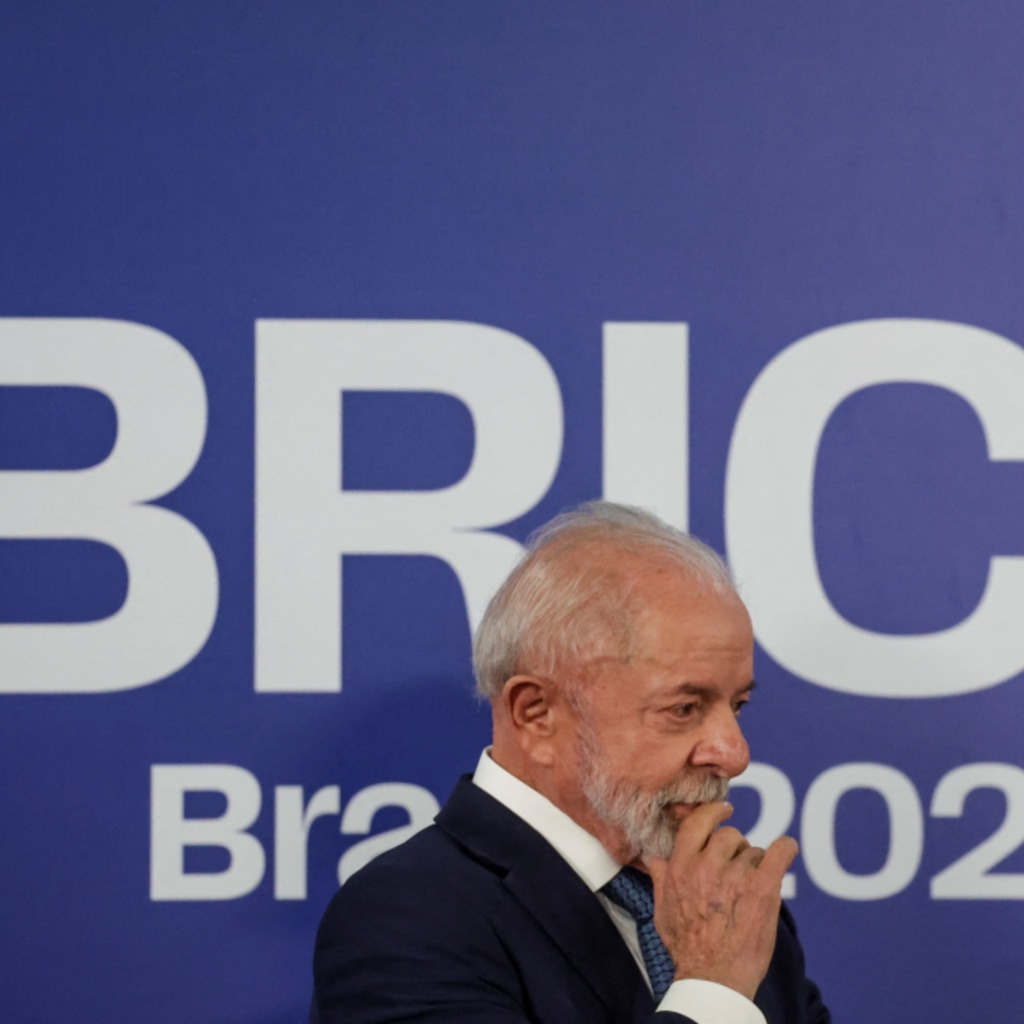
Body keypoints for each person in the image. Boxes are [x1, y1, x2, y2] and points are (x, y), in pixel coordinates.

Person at [313, 501, 830, 1024]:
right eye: (683, 709)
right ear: (536, 715)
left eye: (737, 705)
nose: (734, 754)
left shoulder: (725, 910)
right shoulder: (404, 919)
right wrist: (711, 988)